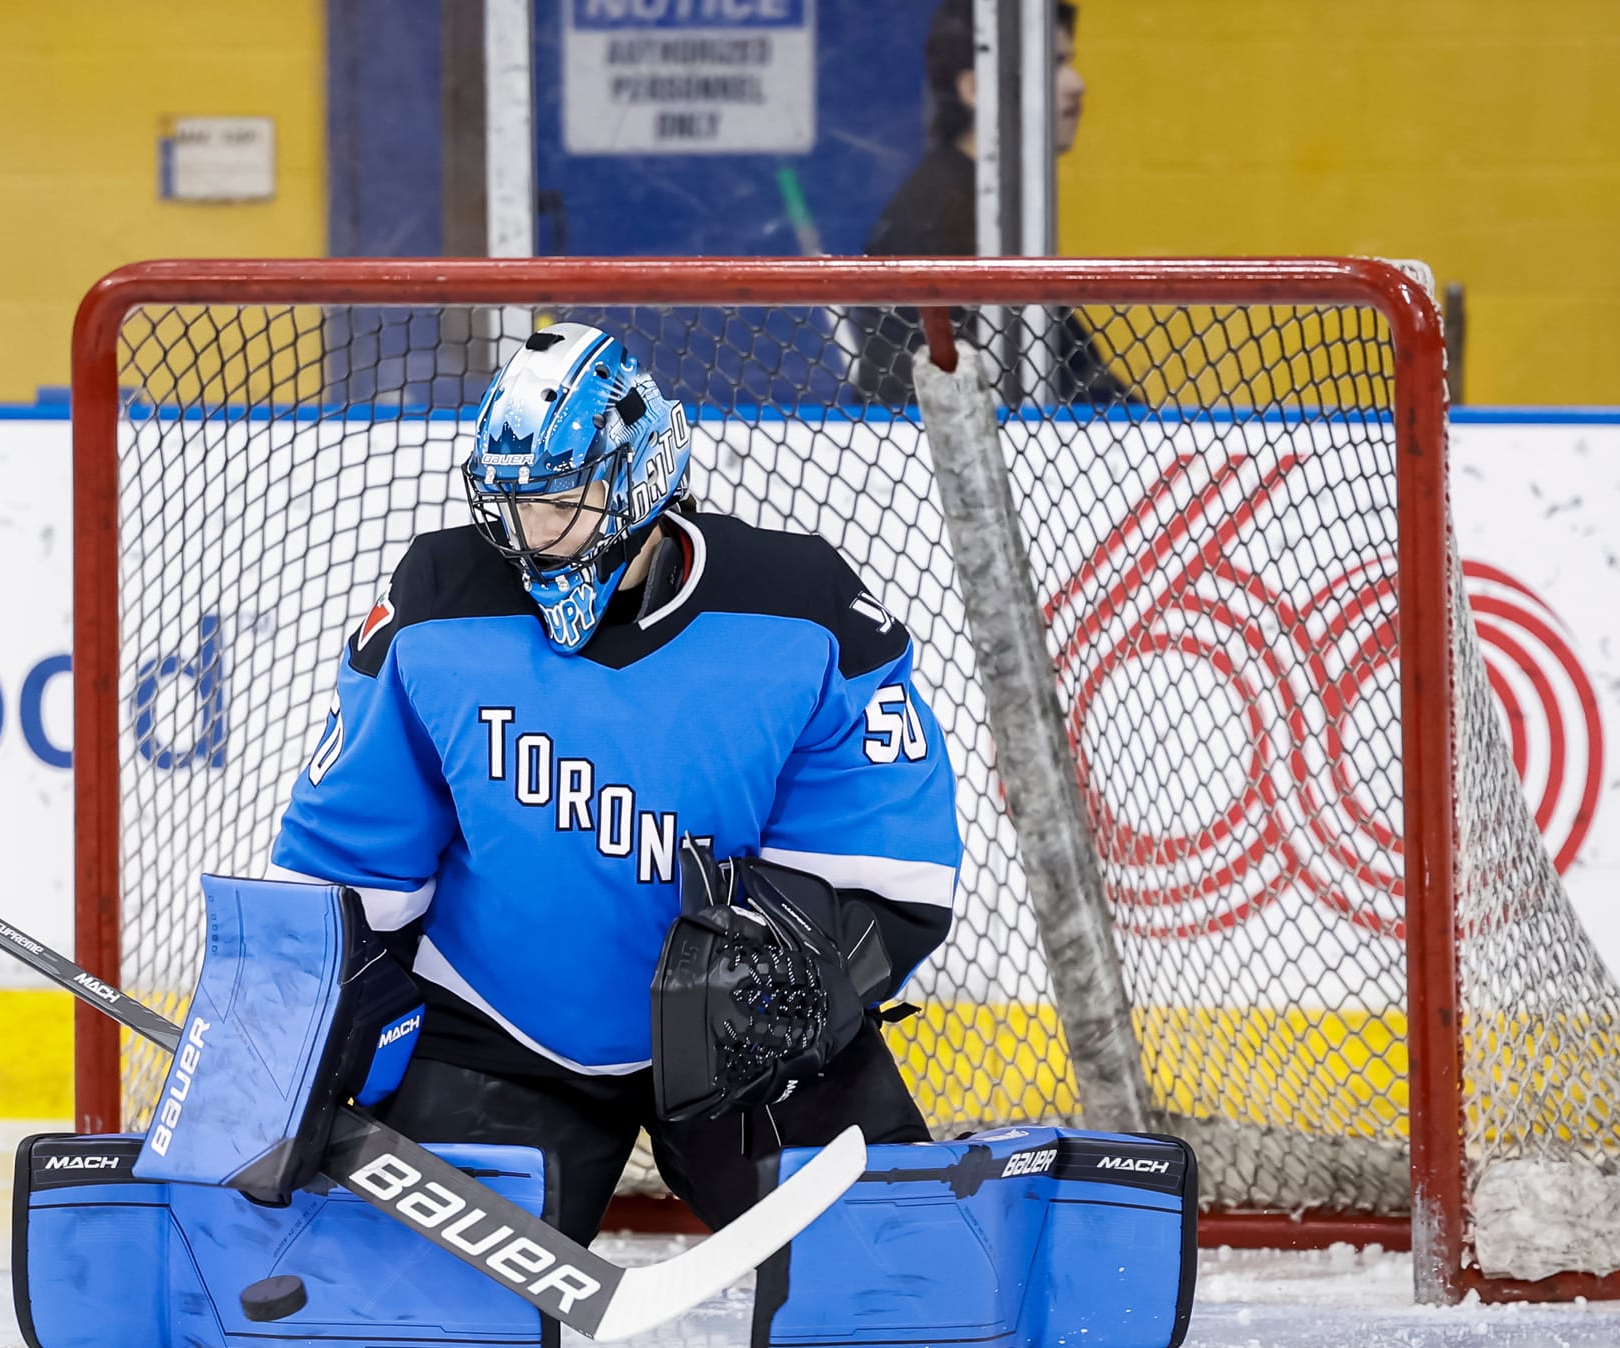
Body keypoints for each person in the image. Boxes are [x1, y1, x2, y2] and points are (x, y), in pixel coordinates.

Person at [268, 324, 962, 1244]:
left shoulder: (802, 603)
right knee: (430, 1319)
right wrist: (314, 1020)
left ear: (640, 479)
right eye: (511, 505)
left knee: (894, 1283)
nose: (532, 535)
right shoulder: (439, 603)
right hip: (496, 1029)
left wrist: (808, 979)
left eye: (561, 502)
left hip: (754, 1039)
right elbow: (348, 847)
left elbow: (891, 853)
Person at [857, 0, 1133, 408]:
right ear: (973, 89)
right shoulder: (955, 218)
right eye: (1052, 64)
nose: (1076, 83)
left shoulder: (984, 203)